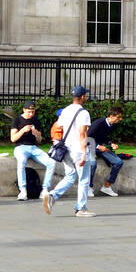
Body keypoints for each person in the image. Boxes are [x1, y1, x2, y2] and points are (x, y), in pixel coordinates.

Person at [42, 85, 95, 218]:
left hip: (66, 150)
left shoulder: (65, 110)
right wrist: (84, 153)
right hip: (78, 150)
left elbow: (58, 126)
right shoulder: (84, 113)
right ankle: (80, 208)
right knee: (83, 180)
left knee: (70, 176)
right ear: (82, 97)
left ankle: (52, 195)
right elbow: (82, 134)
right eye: (85, 95)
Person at [10, 101, 55, 201]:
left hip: (33, 148)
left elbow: (39, 141)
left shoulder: (36, 121)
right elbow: (13, 139)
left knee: (51, 162)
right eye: (29, 112)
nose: (31, 114)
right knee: (21, 162)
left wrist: (37, 135)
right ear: (24, 110)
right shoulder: (17, 120)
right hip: (20, 147)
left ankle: (45, 189)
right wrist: (23, 130)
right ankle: (23, 190)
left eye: (33, 112)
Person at [89, 106, 125, 197]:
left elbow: (103, 137)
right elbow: (87, 138)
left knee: (118, 162)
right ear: (111, 116)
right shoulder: (98, 123)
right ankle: (88, 187)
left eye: (121, 117)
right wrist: (98, 146)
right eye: (118, 117)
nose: (120, 119)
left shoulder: (112, 125)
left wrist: (111, 143)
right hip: (89, 146)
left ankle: (107, 186)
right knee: (92, 164)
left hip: (100, 147)